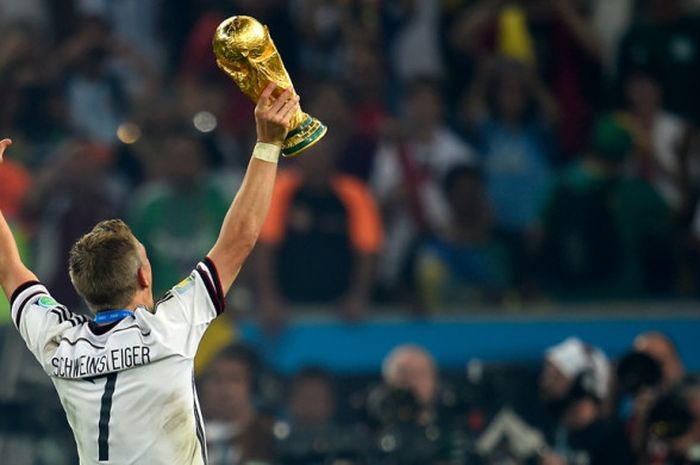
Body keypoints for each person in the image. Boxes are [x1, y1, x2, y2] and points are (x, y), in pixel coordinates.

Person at [0, 82, 300, 464]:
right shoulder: (168, 330)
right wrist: (268, 143)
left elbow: (10, 269)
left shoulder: (60, 344)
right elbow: (239, 238)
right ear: (145, 275)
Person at [537, 338, 635, 465]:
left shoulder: (612, 439)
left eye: (555, 375)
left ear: (583, 382)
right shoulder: (553, 432)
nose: (543, 382)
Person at [199, 344, 275, 465]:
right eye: (216, 378)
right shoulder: (186, 433)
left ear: (253, 386)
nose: (224, 387)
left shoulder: (269, 437)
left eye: (234, 379)